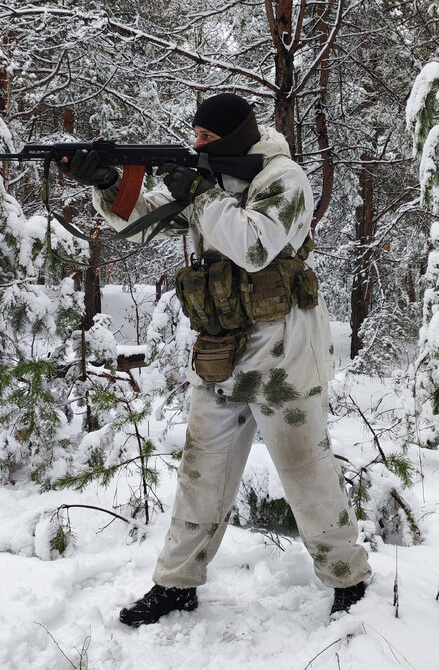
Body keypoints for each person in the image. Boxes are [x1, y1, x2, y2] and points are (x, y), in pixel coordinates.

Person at [60, 93, 372, 626]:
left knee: (307, 472)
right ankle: (176, 584)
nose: (197, 144)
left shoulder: (282, 178)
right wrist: (108, 183)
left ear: (234, 136)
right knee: (200, 471)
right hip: (220, 353)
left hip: (284, 357)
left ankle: (349, 579)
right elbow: (149, 220)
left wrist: (201, 195)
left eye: (206, 138)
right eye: (196, 137)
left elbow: (255, 246)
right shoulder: (211, 180)